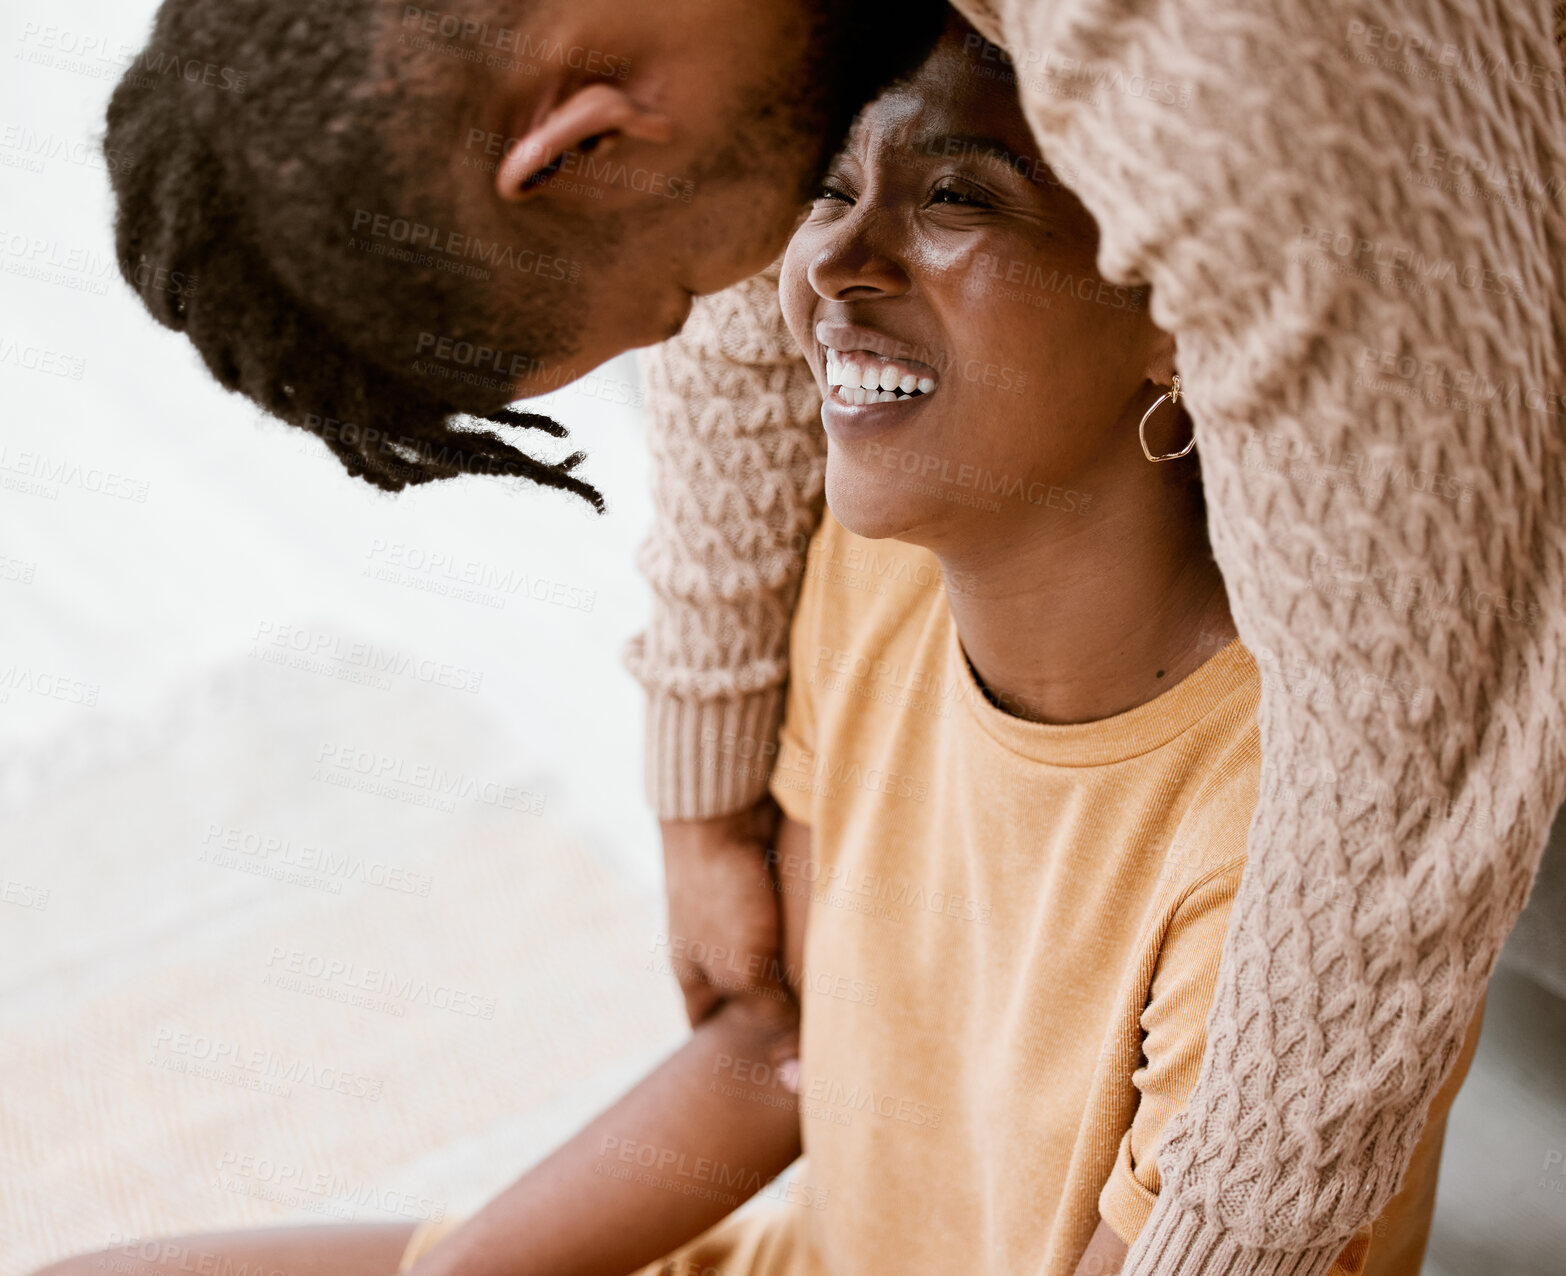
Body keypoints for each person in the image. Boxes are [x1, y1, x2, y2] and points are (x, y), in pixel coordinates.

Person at [96, 0, 1566, 1272]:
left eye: (675, 294)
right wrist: (706, 767)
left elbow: (1411, 791)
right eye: (814, 201)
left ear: (587, 142)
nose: (795, 297)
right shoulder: (874, 596)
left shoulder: (1223, 75)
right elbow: (776, 1053)